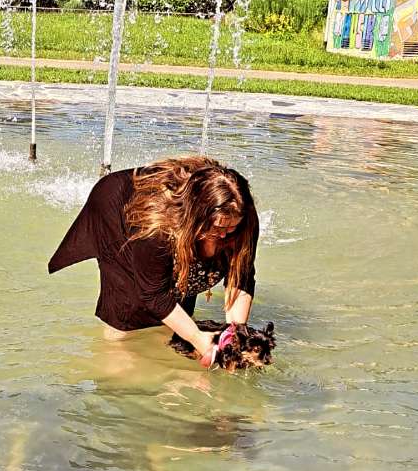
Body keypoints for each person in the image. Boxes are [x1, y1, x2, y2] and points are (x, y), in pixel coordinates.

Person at [48, 156, 259, 366]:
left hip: (181, 228)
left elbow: (241, 276)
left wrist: (236, 335)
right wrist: (197, 339)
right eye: (217, 229)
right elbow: (153, 295)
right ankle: (112, 362)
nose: (224, 235)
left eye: (231, 229)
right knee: (132, 308)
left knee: (182, 294)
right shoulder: (155, 229)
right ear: (194, 219)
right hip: (118, 209)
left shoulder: (241, 216)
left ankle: (166, 351)